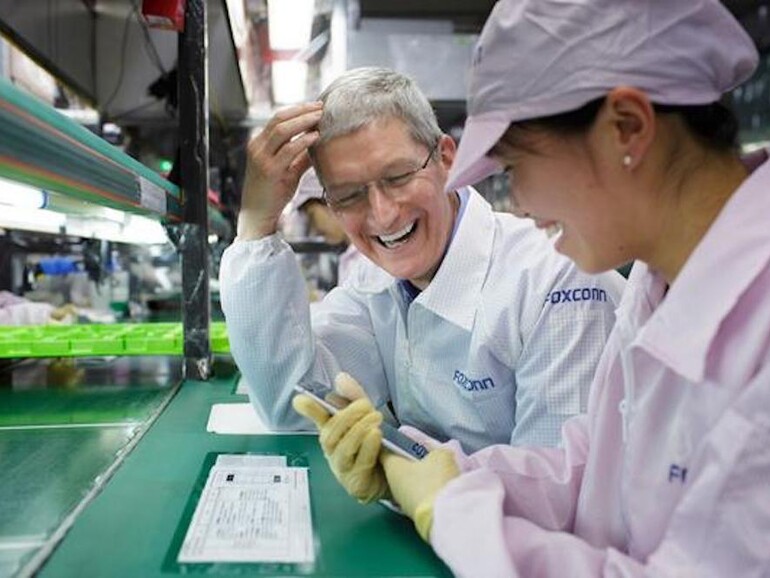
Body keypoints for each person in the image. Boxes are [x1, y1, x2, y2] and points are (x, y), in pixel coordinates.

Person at [295, 1, 770, 575]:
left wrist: (451, 511)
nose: (516, 201)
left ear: (628, 128)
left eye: (516, 165)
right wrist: (419, 470)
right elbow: (589, 471)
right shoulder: (659, 278)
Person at [219, 66, 625, 494]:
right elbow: (295, 403)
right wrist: (256, 224)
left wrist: (404, 474)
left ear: (447, 159)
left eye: (397, 177)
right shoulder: (373, 278)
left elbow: (557, 493)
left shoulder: (556, 282)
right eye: (349, 195)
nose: (383, 214)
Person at [291, 167, 383, 288]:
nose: (314, 230)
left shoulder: (371, 259)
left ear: (331, 203)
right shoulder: (351, 256)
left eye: (312, 217)